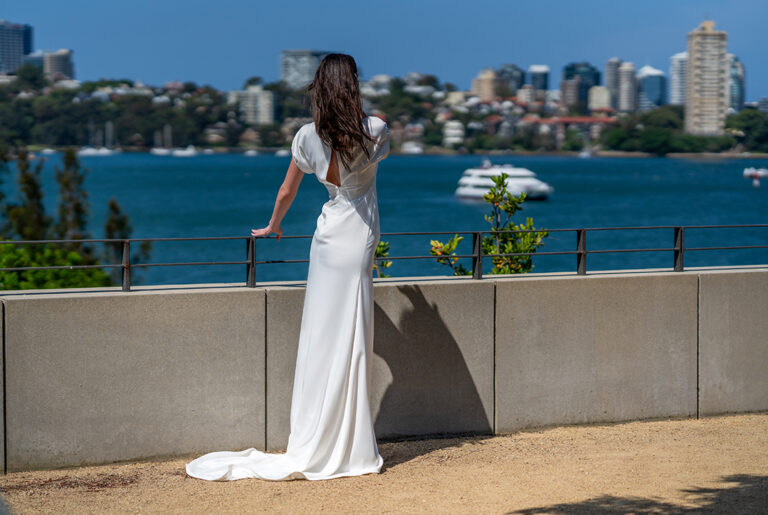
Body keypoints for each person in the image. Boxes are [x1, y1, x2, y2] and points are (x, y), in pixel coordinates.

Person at [185, 53, 390, 481]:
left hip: (327, 237)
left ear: (319, 87)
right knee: (352, 337)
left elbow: (285, 191)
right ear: (353, 85)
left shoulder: (305, 137)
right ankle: (347, 444)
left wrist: (273, 226)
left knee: (322, 335)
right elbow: (367, 173)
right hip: (357, 239)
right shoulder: (375, 131)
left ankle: (316, 435)